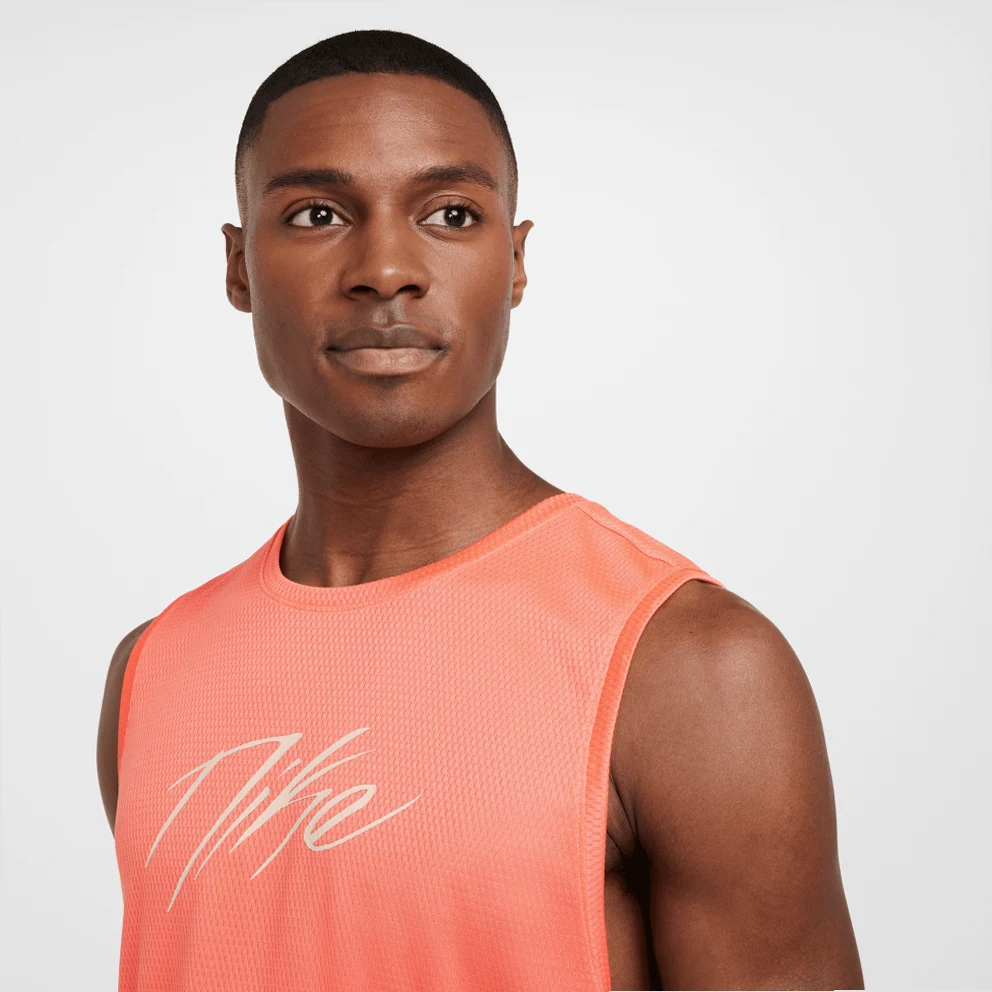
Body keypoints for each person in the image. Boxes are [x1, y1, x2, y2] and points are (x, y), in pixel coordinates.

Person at [96, 28, 863, 992]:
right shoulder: (151, 672)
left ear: (516, 263)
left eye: (450, 214)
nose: (385, 269)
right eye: (318, 213)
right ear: (239, 267)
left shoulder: (691, 670)